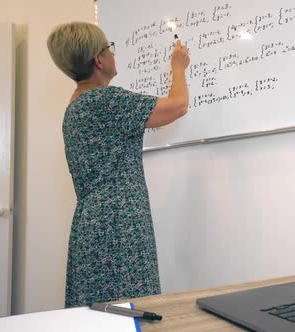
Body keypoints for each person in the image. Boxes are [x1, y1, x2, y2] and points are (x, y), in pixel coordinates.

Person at [47, 22, 190, 307]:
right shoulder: (104, 100)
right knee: (131, 309)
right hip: (119, 225)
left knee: (98, 314)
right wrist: (179, 65)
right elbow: (177, 106)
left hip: (91, 223)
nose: (113, 54)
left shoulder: (76, 105)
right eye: (109, 49)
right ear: (99, 60)